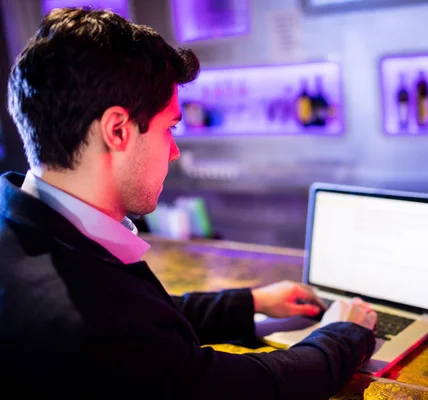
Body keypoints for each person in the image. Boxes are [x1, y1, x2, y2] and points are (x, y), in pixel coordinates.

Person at [0, 7, 377, 399]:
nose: (175, 151)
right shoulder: (94, 322)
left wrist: (251, 303)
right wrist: (343, 335)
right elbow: (247, 388)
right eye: (170, 127)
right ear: (117, 130)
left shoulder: (25, 231)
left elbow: (147, 320)